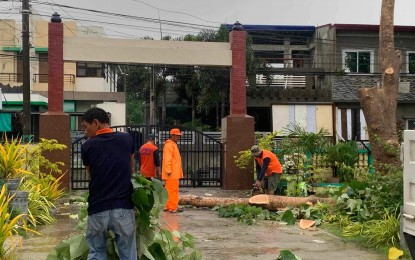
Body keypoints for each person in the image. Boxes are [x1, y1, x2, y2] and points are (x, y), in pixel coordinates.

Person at [80, 107, 137, 260]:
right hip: (123, 208)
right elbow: (131, 169)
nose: (85, 132)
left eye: (86, 127)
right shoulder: (127, 139)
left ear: (96, 123)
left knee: (96, 253)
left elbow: (91, 174)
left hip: (98, 208)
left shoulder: (87, 146)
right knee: (128, 254)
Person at [162, 128, 184, 213]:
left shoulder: (172, 144)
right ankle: (172, 207)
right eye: (177, 135)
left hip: (173, 172)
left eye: (179, 136)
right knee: (172, 190)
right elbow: (168, 159)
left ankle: (169, 206)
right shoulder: (169, 145)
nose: (179, 137)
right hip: (171, 172)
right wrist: (168, 170)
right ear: (173, 135)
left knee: (170, 190)